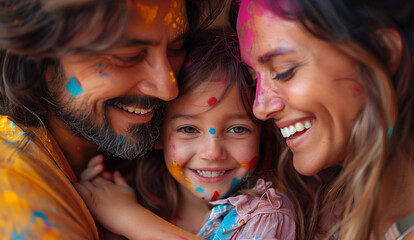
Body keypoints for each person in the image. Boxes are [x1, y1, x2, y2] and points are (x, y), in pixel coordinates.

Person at [0, 0, 226, 239]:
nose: (167, 89)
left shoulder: (133, 159)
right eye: (128, 56)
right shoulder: (17, 193)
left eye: (175, 48)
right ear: (37, 58)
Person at [76, 28, 299, 240]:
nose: (212, 152)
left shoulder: (267, 214)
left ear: (261, 133)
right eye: (188, 129)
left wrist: (130, 219)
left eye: (237, 129)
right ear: (157, 134)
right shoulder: (139, 199)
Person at [235, 0, 414, 239]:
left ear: (385, 53)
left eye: (284, 70)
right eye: (254, 79)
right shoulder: (320, 208)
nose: (259, 108)